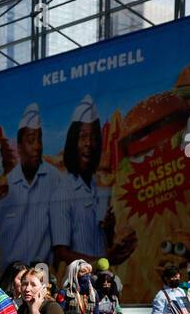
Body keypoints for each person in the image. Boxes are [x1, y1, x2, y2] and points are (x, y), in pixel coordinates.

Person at [52, 96, 137, 270]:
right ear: (73, 143)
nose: (89, 144)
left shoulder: (98, 186)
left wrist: (109, 230)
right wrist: (101, 262)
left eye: (93, 137)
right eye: (82, 137)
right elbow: (61, 252)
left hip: (102, 277)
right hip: (78, 280)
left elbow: (103, 243)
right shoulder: (64, 191)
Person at [0, 104, 57, 274]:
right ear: (19, 146)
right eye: (31, 140)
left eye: (39, 140)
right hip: (9, 280)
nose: (37, 146)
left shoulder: (55, 180)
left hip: (41, 279)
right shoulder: (4, 187)